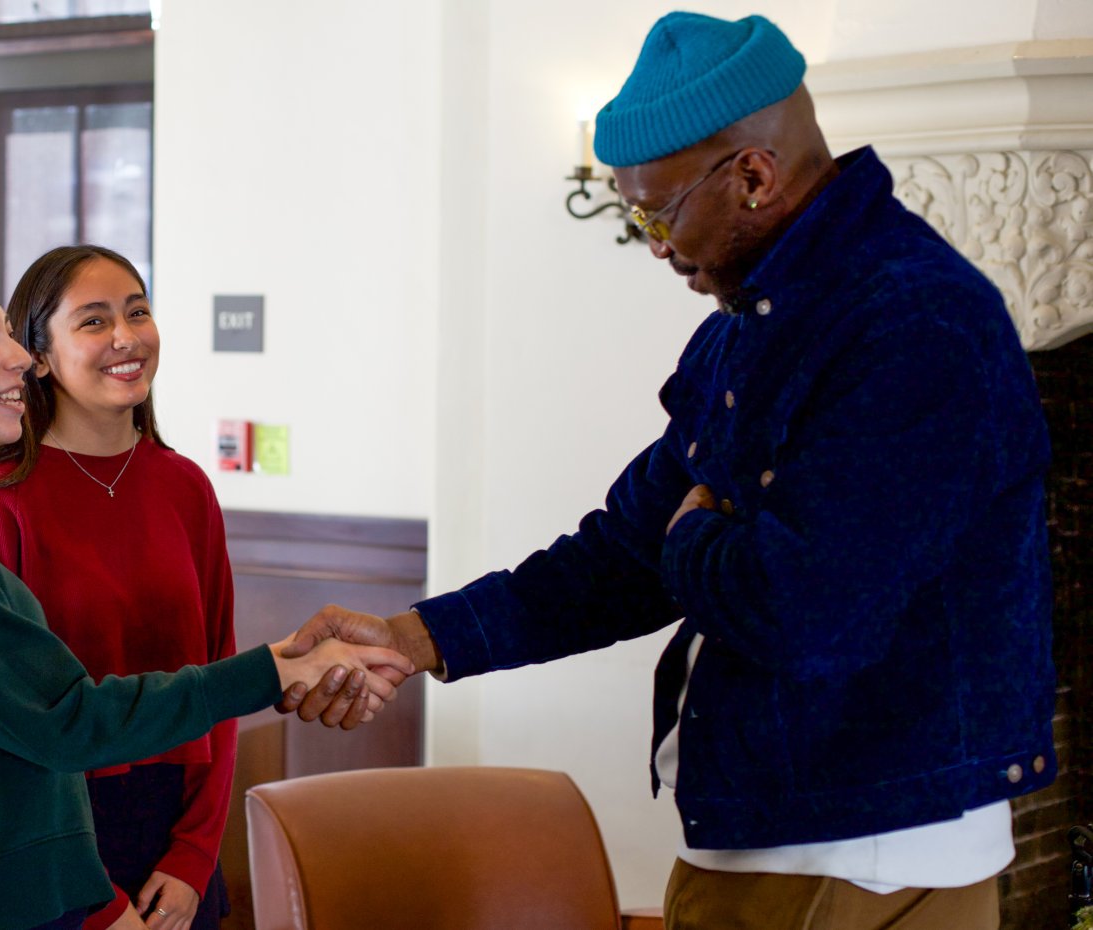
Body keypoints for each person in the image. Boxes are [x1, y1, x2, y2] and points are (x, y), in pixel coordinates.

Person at [280, 12, 1055, 930]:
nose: (650, 241)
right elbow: (621, 552)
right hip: (778, 833)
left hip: (864, 854)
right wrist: (411, 639)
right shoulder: (749, 329)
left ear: (754, 175)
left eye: (656, 210)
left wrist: (691, 535)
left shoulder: (912, 325)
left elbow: (801, 613)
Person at [0, 262, 409, 930]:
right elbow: (64, 721)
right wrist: (273, 671)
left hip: (17, 887)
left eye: (10, 334)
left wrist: (188, 852)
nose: (19, 359)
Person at [0, 245, 304, 930]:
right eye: (93, 321)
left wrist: (194, 858)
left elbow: (220, 683)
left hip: (177, 847)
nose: (126, 337)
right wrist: (98, 898)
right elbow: (0, 728)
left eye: (137, 312)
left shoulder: (185, 487)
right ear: (41, 356)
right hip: (51, 845)